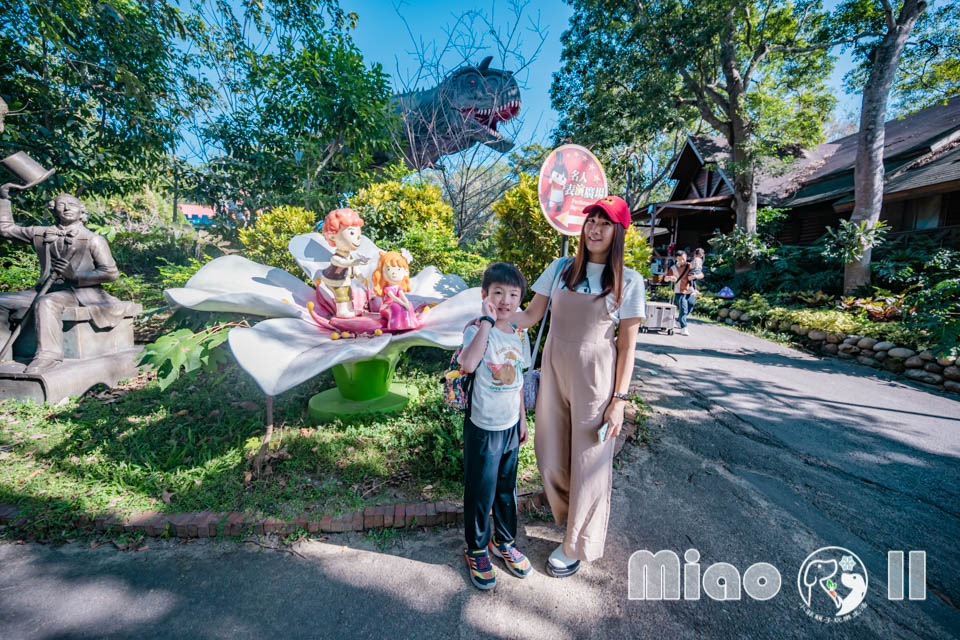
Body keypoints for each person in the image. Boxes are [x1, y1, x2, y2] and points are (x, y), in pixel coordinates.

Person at [510, 195, 646, 578]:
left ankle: (577, 544)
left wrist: (618, 399)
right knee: (549, 452)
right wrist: (493, 313)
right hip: (554, 372)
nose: (594, 229)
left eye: (604, 223)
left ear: (617, 232)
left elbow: (627, 346)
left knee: (590, 462)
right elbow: (530, 316)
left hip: (596, 380)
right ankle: (572, 520)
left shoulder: (629, 282)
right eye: (591, 221)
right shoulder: (559, 269)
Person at [457, 262, 533, 590]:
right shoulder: (476, 329)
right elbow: (468, 364)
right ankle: (476, 548)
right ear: (485, 295)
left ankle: (503, 541)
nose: (505, 300)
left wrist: (523, 419)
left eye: (513, 294)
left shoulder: (520, 334)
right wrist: (487, 322)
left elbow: (517, 381)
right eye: (498, 292)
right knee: (480, 491)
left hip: (510, 426)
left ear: (520, 300)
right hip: (483, 427)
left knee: (506, 489)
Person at [0, 193, 122, 372]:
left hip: (80, 293)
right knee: (2, 300)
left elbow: (110, 273)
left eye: (72, 204)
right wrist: (4, 198)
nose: (66, 208)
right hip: (44, 288)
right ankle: (4, 352)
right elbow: (5, 229)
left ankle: (48, 355)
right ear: (53, 209)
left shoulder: (93, 239)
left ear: (81, 211)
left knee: (47, 302)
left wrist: (75, 276)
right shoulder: (41, 233)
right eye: (61, 204)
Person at [665, 250, 703, 336]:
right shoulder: (673, 268)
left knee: (691, 306)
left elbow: (701, 275)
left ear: (686, 257)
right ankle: (683, 327)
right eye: (679, 259)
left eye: (683, 259)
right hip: (679, 291)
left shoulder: (690, 265)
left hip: (690, 291)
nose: (681, 261)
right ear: (676, 259)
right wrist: (670, 278)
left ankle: (679, 320)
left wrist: (695, 276)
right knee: (683, 309)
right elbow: (665, 278)